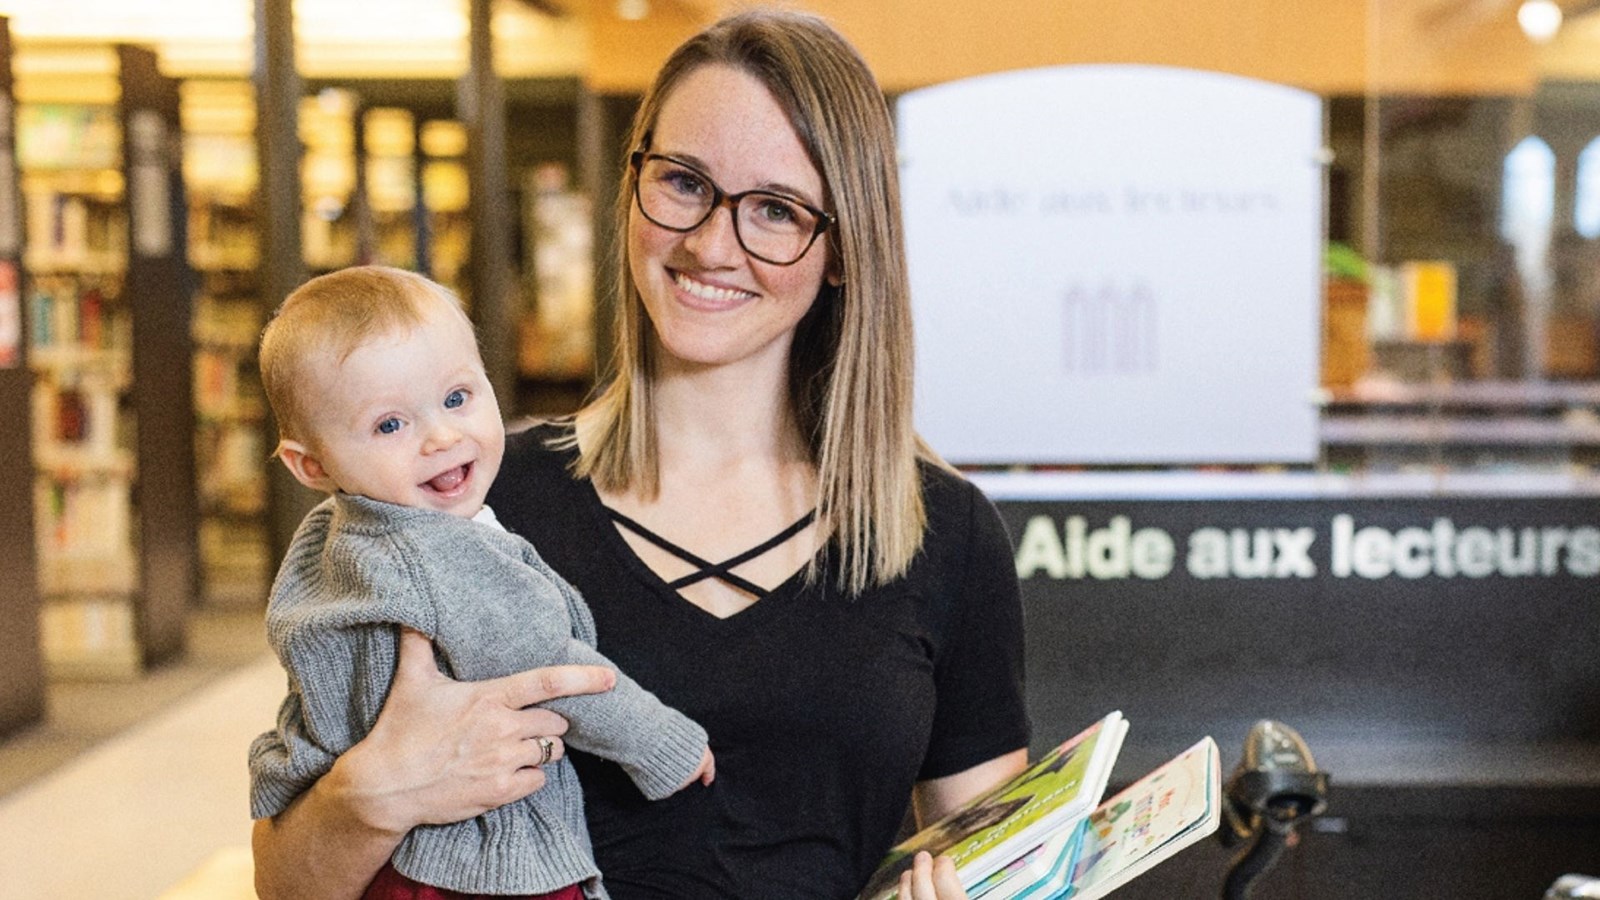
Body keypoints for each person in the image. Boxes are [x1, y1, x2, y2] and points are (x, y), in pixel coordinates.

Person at [252, 9, 1031, 900]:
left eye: (775, 210)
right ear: (633, 187)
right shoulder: (458, 503)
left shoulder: (939, 533)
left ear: (845, 248)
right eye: (685, 183)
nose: (709, 243)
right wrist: (371, 796)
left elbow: (997, 858)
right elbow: (283, 884)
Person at [249, 265, 715, 900]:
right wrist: (662, 743)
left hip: (396, 868)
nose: (442, 436)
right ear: (312, 465)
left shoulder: (336, 538)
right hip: (480, 866)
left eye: (457, 397)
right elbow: (549, 663)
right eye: (391, 425)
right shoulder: (430, 554)